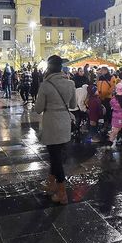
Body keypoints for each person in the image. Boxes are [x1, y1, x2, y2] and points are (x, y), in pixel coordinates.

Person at [34, 55, 76, 205]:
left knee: (55, 158)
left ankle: (62, 193)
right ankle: (51, 184)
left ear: (49, 68)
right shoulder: (70, 83)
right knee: (56, 155)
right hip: (64, 122)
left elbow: (38, 109)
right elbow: (73, 105)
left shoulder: (45, 85)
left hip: (51, 123)